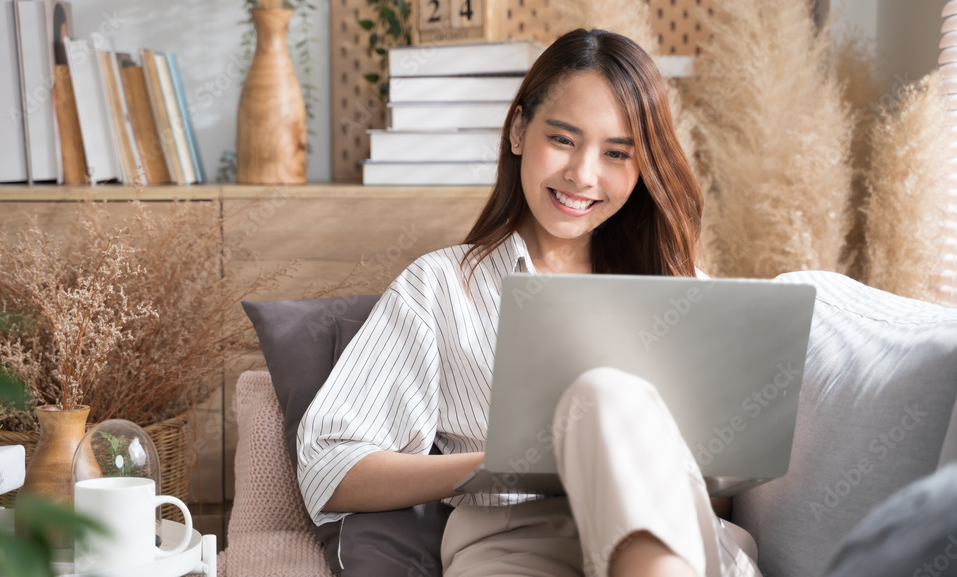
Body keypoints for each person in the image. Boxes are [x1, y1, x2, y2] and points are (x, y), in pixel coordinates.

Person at [297, 28, 761, 577]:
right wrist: (501, 465)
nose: (583, 175)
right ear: (519, 129)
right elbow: (330, 465)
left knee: (607, 396)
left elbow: (722, 496)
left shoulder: (686, 293)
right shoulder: (442, 285)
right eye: (563, 139)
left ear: (641, 170)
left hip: (677, 538)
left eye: (616, 153)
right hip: (516, 544)